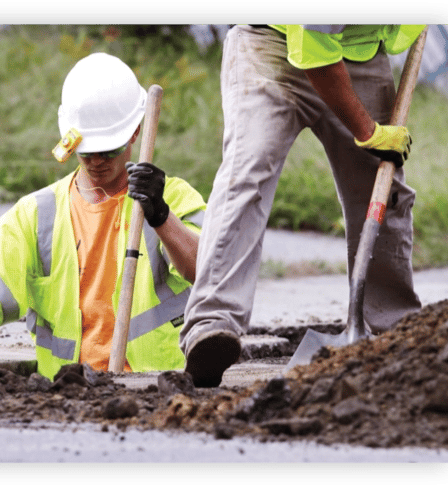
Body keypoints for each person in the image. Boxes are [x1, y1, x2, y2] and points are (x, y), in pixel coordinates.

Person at [0, 52, 206, 381]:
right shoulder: (38, 214)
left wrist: (162, 217)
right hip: (67, 392)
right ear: (69, 138)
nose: (96, 161)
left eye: (108, 150)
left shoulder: (172, 198)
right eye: (86, 150)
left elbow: (209, 271)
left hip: (156, 389)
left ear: (135, 132)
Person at [180, 24, 426, 387]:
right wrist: (368, 132)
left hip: (359, 53)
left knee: (381, 185)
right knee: (248, 172)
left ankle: (393, 327)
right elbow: (314, 52)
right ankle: (212, 326)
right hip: (271, 48)